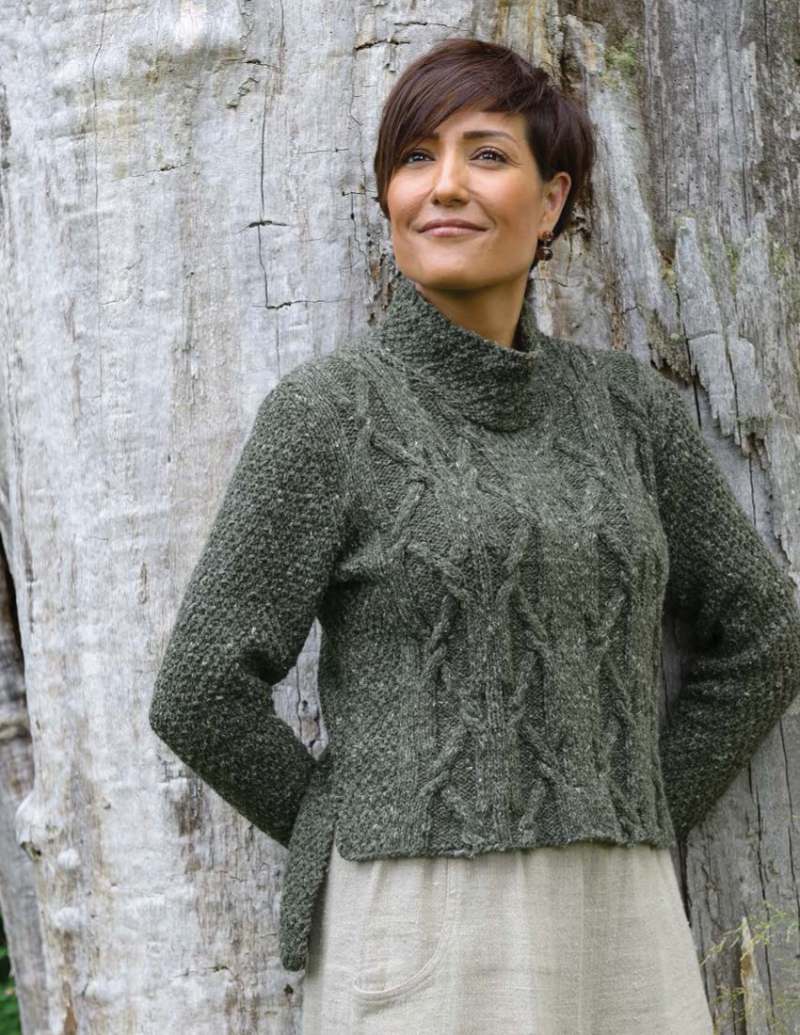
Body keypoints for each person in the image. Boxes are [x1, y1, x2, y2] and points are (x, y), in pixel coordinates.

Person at [148, 37, 800, 1034]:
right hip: (418, 922)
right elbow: (199, 691)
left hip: (624, 914)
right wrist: (347, 819)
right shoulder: (330, 416)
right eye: (415, 158)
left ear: (550, 202)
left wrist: (641, 801)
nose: (443, 185)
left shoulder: (630, 411)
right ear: (388, 197)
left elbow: (766, 632)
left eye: (486, 155)